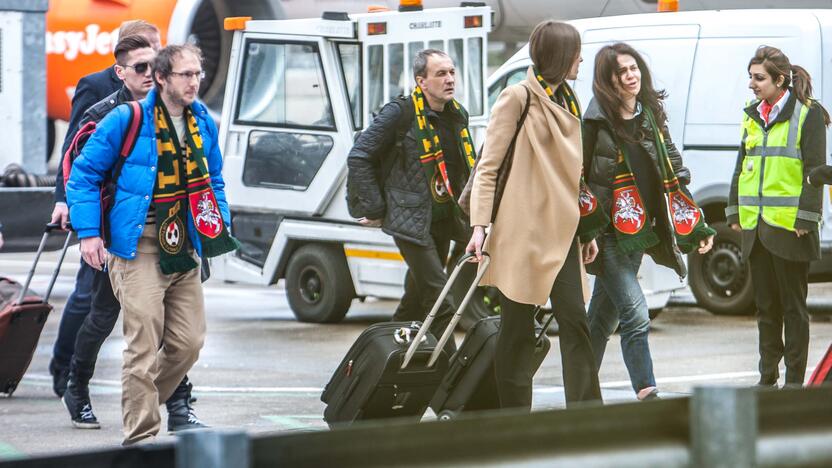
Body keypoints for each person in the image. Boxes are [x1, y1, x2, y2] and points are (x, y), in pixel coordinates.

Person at [67, 44, 238, 445]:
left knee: (188, 343)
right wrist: (89, 234)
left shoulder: (203, 122)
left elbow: (214, 180)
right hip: (139, 245)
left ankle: (139, 400)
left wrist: (219, 225)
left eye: (198, 73)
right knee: (142, 347)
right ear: (161, 78)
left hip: (186, 246)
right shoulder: (127, 118)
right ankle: (140, 439)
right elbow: (84, 174)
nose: (195, 81)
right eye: (185, 74)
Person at [466, 21, 604, 409]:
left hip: (564, 232)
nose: (580, 59)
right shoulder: (517, 97)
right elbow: (488, 167)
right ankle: (515, 415)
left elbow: (574, 176)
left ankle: (586, 412)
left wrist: (587, 231)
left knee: (576, 321)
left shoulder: (569, 100)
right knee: (517, 328)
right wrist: (479, 227)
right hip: (523, 230)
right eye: (575, 52)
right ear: (559, 56)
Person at [582, 43, 715, 401]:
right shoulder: (594, 121)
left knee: (599, 322)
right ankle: (646, 391)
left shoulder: (650, 114)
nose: (631, 75)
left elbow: (673, 166)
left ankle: (580, 392)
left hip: (640, 232)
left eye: (634, 68)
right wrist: (587, 229)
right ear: (607, 80)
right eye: (622, 71)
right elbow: (581, 178)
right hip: (608, 233)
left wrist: (693, 220)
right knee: (635, 313)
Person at [48, 20, 162, 397]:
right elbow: (74, 152)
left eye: (158, 56)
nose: (153, 68)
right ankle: (64, 370)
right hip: (105, 218)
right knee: (92, 302)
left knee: (157, 310)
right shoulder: (98, 89)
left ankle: (177, 394)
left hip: (149, 223)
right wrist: (65, 202)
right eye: (143, 61)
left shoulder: (167, 98)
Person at [347, 49, 476, 353]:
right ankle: (448, 386)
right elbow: (359, 156)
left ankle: (381, 358)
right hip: (409, 221)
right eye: (440, 74)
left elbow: (460, 170)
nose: (449, 79)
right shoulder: (400, 113)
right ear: (421, 81)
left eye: (452, 72)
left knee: (414, 303)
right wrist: (376, 208)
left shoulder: (457, 114)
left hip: (443, 219)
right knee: (441, 303)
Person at [726, 45, 829, 387]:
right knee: (766, 309)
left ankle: (794, 382)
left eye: (759, 78)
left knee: (793, 310)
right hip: (756, 228)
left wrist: (806, 218)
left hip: (789, 229)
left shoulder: (807, 114)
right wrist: (734, 210)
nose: (752, 84)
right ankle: (767, 377)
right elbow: (742, 164)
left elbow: (815, 169)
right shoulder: (752, 112)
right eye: (750, 78)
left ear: (780, 80)